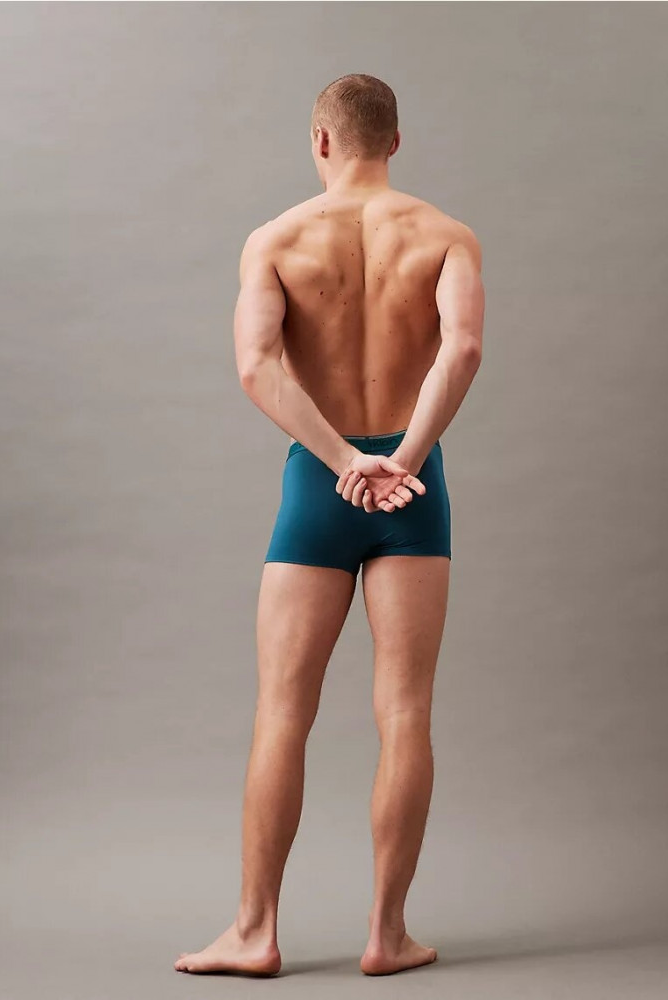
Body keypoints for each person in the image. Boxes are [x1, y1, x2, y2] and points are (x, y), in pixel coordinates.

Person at [175, 72, 484, 978]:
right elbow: (463, 348)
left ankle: (255, 932)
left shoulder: (276, 239)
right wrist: (405, 459)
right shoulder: (447, 236)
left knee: (282, 709)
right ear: (396, 140)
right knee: (406, 712)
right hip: (414, 489)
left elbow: (255, 364)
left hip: (322, 482)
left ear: (320, 141)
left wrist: (345, 460)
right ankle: (388, 935)